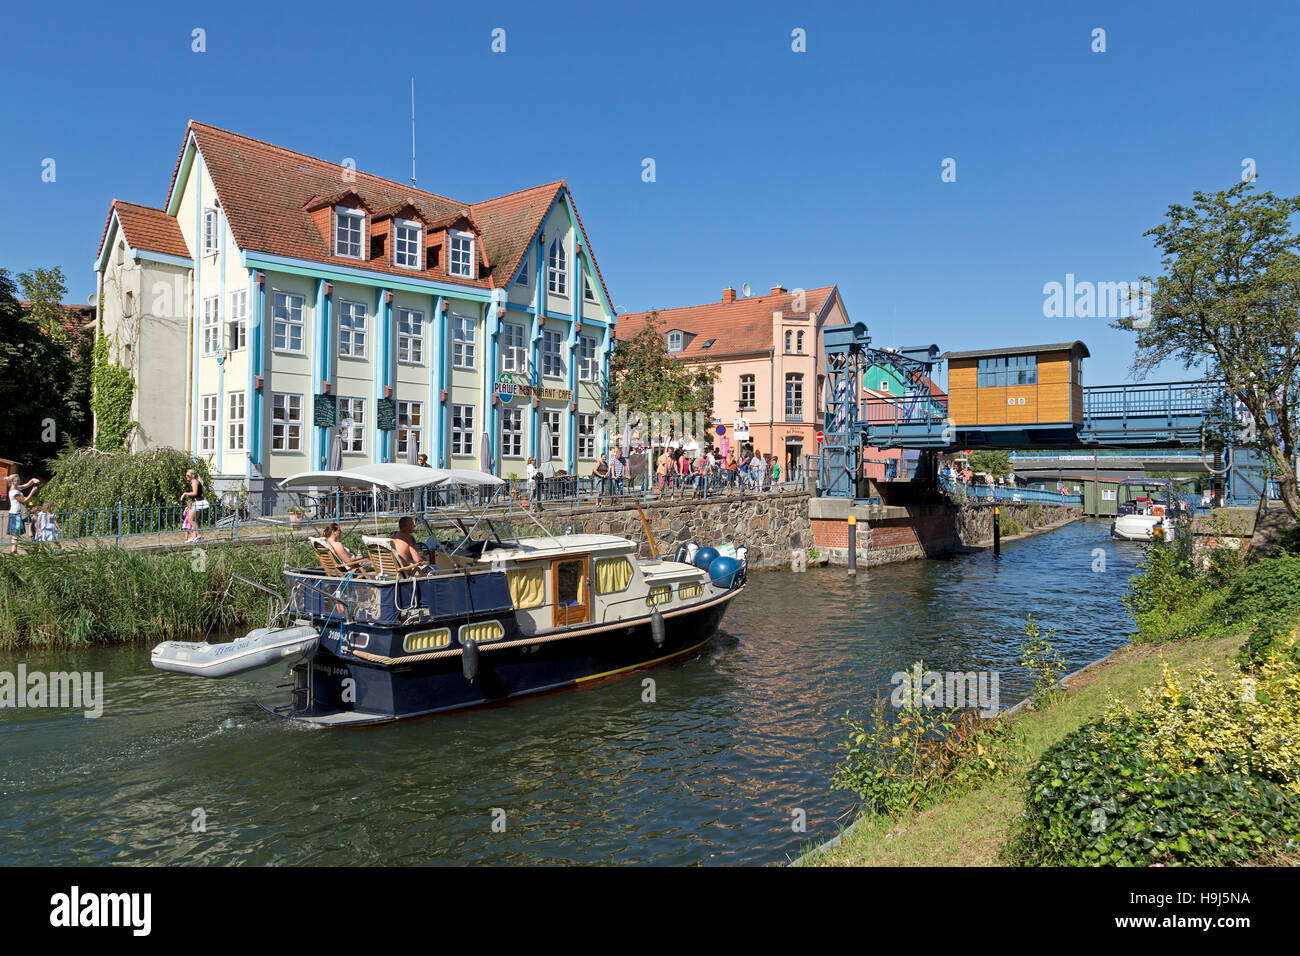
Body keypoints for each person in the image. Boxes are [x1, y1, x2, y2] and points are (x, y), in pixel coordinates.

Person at [7, 474, 39, 553]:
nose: (19, 482)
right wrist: (32, 491)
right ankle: (13, 551)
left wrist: (32, 480)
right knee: (15, 532)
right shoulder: (13, 492)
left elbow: (26, 485)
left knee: (17, 532)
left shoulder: (17, 488)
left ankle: (15, 550)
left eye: (19, 480)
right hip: (15, 515)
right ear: (12, 482)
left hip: (19, 514)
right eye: (17, 481)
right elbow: (24, 501)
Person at [179, 469, 205, 544]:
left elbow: (195, 493)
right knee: (194, 519)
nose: (186, 476)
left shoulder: (194, 481)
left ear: (192, 476)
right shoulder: (194, 481)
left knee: (190, 519)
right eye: (186, 475)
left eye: (188, 475)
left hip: (197, 502)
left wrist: (184, 494)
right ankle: (194, 537)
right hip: (197, 502)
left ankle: (199, 535)